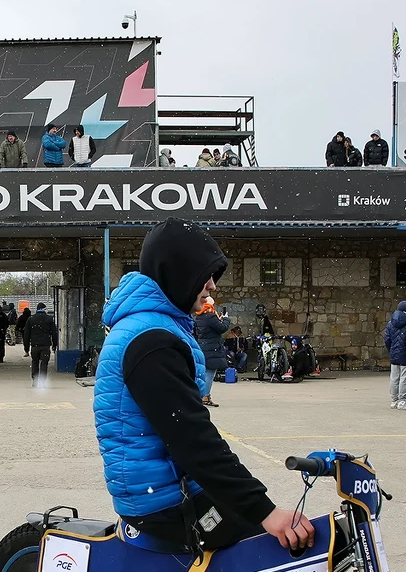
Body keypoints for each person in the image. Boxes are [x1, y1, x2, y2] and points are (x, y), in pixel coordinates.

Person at [93, 217, 315, 554]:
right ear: (178, 273)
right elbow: (192, 440)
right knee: (277, 545)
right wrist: (265, 512)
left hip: (168, 487)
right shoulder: (152, 340)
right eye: (205, 275)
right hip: (163, 503)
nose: (212, 286)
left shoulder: (156, 326)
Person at [193, 297, 231, 406]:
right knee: (210, 372)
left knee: (203, 372)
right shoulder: (210, 316)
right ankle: (206, 397)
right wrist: (226, 319)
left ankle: (201, 395)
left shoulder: (199, 316)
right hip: (212, 347)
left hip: (203, 346)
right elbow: (222, 328)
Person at [383, 300, 406, 409]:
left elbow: (387, 339)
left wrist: (391, 349)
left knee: (394, 377)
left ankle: (394, 400)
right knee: (405, 378)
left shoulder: (391, 323)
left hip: (394, 353)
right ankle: (402, 400)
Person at [26, 302, 58, 385]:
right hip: (45, 345)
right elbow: (54, 333)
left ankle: (35, 380)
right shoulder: (49, 319)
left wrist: (26, 347)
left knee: (35, 361)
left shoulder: (31, 319)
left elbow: (26, 334)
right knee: (44, 363)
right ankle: (42, 381)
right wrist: (55, 345)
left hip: (34, 345)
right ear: (44, 309)